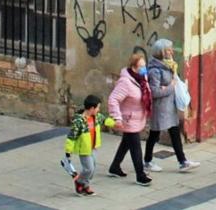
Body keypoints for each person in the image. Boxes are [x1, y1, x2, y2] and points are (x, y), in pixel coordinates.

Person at [144, 39, 200, 173]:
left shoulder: (169, 65)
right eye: (169, 50)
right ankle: (147, 161)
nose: (172, 52)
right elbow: (155, 92)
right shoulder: (155, 70)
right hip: (161, 108)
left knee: (175, 133)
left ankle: (183, 161)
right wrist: (171, 86)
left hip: (170, 107)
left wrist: (170, 85)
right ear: (162, 52)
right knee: (154, 135)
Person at [107, 52, 153, 186]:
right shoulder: (125, 82)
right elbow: (113, 99)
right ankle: (140, 175)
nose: (145, 69)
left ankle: (115, 167)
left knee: (126, 143)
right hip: (128, 119)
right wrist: (116, 117)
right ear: (133, 67)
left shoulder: (142, 78)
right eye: (141, 66)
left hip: (138, 117)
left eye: (145, 66)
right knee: (135, 145)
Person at [62, 94, 113, 196]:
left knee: (92, 168)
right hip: (84, 150)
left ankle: (85, 185)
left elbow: (106, 120)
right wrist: (68, 151)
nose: (99, 110)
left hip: (93, 147)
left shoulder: (96, 117)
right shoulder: (79, 121)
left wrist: (116, 123)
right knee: (88, 169)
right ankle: (79, 182)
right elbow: (72, 137)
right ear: (92, 108)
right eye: (98, 107)